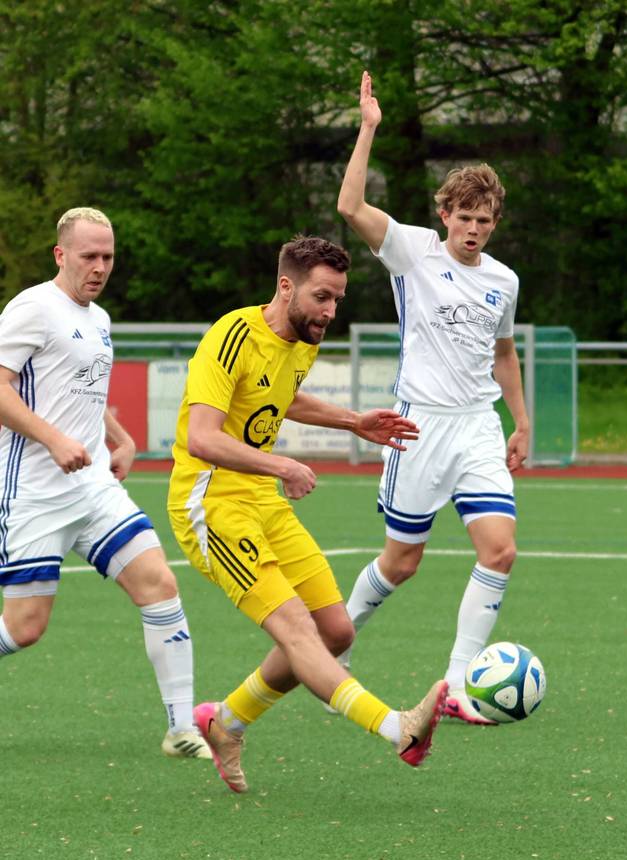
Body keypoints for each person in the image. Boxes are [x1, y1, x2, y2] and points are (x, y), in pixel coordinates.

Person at [167, 234, 448, 794]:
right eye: (322, 297)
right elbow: (202, 438)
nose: (330, 311)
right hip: (211, 505)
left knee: (334, 630)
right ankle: (398, 729)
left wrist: (353, 421)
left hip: (261, 501)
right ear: (286, 286)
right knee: (298, 629)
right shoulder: (232, 336)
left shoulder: (302, 339)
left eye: (338, 299)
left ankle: (227, 722)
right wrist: (281, 465)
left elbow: (283, 397)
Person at [336, 72, 531, 726]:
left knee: (500, 550)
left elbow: (505, 354)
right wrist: (368, 128)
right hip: (418, 428)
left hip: (477, 426)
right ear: (444, 215)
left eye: (484, 221)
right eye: (463, 218)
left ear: (495, 223)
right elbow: (350, 206)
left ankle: (457, 685)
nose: (473, 229)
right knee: (402, 562)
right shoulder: (413, 251)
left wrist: (520, 422)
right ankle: (336, 643)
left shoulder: (504, 281)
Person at [0, 207, 210, 759]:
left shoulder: (100, 319)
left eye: (108, 257)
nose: (99, 267)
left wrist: (120, 437)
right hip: (34, 493)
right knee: (24, 628)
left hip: (93, 488)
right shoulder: (32, 308)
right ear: (60, 254)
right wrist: (52, 439)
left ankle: (181, 729)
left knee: (159, 583)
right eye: (89, 256)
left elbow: (82, 389)